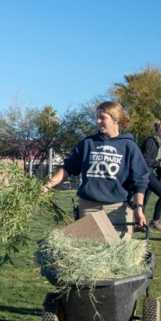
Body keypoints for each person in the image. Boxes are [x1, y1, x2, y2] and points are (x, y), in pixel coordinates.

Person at [43, 101, 149, 236]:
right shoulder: (88, 143)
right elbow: (68, 168)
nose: (98, 121)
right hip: (88, 207)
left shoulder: (129, 146)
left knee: (116, 253)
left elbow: (140, 181)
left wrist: (138, 208)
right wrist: (46, 186)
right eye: (97, 117)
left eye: (102, 117)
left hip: (117, 208)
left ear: (115, 119)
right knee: (88, 251)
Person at [140, 121, 161, 231]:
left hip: (151, 173)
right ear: (159, 130)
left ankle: (139, 224)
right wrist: (157, 164)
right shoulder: (150, 142)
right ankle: (155, 221)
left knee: (143, 200)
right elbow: (144, 159)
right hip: (146, 174)